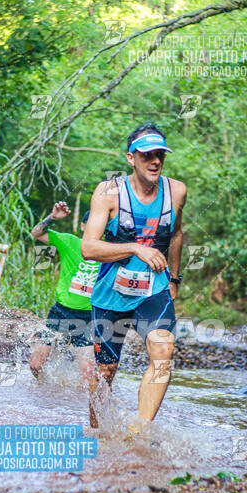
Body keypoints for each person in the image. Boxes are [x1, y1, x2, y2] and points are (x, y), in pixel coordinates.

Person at [81, 122, 187, 432]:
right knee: (106, 371)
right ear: (131, 158)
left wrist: (174, 279)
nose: (155, 161)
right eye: (147, 155)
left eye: (160, 155)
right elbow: (88, 247)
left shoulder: (176, 191)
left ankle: (138, 431)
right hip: (110, 292)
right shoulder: (108, 192)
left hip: (153, 289)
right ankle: (97, 432)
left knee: (163, 351)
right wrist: (135, 248)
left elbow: (177, 233)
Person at [30, 202, 99, 382]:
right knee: (35, 365)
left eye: (98, 223)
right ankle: (42, 391)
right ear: (83, 226)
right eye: (90, 223)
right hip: (61, 312)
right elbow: (36, 233)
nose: (94, 227)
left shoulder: (108, 252)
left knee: (88, 375)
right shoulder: (69, 241)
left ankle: (77, 408)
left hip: (88, 317)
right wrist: (52, 218)